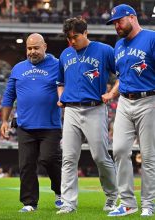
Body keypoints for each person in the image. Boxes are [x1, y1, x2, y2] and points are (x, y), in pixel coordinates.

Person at [56, 16, 118, 214]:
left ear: (85, 33)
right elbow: (60, 82)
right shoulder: (65, 54)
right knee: (68, 158)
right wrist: (61, 97)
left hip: (95, 108)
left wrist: (111, 93)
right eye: (68, 38)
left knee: (100, 156)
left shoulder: (104, 50)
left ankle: (111, 196)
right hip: (71, 110)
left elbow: (123, 74)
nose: (71, 41)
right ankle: (68, 203)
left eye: (75, 37)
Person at [0, 33, 63, 212]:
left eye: (36, 48)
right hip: (25, 126)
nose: (32, 52)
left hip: (50, 125)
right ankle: (29, 203)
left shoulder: (58, 65)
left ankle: (60, 192)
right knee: (26, 165)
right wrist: (4, 120)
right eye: (29, 48)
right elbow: (8, 95)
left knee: (49, 159)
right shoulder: (18, 68)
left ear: (45, 47)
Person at [104, 4, 155, 217]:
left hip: (149, 99)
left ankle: (149, 204)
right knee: (119, 150)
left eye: (119, 21)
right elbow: (121, 76)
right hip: (125, 102)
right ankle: (127, 203)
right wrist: (113, 93)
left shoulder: (151, 38)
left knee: (149, 156)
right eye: (114, 23)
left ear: (132, 17)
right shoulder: (118, 46)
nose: (116, 25)